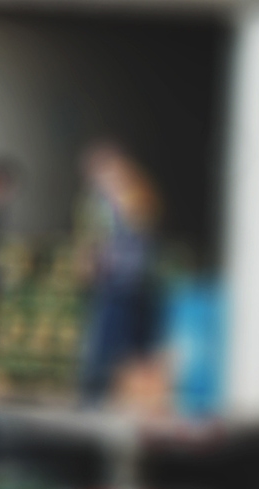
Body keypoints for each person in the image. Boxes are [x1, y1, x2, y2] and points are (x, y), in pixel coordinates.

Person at [74, 140, 162, 408]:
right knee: (117, 342)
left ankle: (107, 396)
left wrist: (90, 261)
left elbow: (137, 227)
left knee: (116, 342)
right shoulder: (101, 200)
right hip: (121, 279)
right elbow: (90, 239)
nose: (96, 177)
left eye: (100, 169)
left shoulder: (132, 194)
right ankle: (101, 396)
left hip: (127, 280)